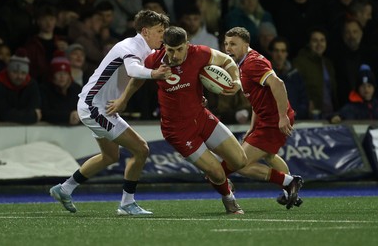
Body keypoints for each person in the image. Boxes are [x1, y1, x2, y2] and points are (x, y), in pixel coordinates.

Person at [108, 26, 303, 212]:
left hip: (203, 118)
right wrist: (123, 100)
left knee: (240, 161)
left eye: (179, 49)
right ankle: (230, 199)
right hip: (178, 130)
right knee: (217, 173)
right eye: (170, 50)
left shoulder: (200, 53)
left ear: (187, 44)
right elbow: (136, 79)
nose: (174, 55)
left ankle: (288, 182)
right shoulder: (155, 61)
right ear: (163, 47)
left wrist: (234, 81)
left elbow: (226, 61)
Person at [49, 10, 171, 215]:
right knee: (141, 149)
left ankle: (64, 189)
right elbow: (133, 71)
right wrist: (154, 73)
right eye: (159, 31)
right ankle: (127, 203)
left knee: (110, 156)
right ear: (145, 31)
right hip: (94, 107)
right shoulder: (129, 46)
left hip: (101, 107)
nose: (162, 35)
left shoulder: (147, 51)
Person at [224, 27, 303, 208]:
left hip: (274, 120)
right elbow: (257, 100)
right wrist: (252, 127)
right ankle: (289, 190)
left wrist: (282, 117)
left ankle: (290, 182)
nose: (228, 48)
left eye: (233, 44)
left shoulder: (252, 63)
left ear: (246, 45)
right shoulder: (242, 63)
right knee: (269, 155)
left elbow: (278, 83)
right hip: (265, 120)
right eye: (226, 44)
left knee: (239, 164)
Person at [0, 48, 42, 124]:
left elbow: (35, 108)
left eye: (23, 73)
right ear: (8, 71)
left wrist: (17, 115)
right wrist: (31, 117)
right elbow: (2, 114)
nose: (19, 76)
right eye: (15, 72)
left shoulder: (31, 85)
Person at [269, 36, 309, 120]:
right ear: (271, 53)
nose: (279, 54)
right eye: (276, 51)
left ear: (286, 54)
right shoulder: (263, 75)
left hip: (294, 123)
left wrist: (294, 113)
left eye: (283, 51)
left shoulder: (295, 75)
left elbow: (304, 101)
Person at [40, 53, 81, 125]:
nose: (62, 77)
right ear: (53, 75)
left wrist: (78, 116)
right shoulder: (44, 90)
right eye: (59, 73)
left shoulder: (77, 89)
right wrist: (68, 117)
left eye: (65, 73)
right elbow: (45, 113)